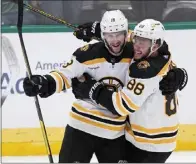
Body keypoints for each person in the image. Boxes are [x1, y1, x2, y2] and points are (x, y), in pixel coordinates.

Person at [23, 10, 187, 163]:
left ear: (126, 34)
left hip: (114, 134)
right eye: (109, 35)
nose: (115, 41)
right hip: (81, 127)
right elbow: (65, 75)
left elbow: (156, 53)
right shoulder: (88, 53)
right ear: (102, 35)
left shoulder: (136, 55)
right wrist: (45, 82)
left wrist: (180, 74)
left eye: (119, 34)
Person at [71, 19, 188, 163]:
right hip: (152, 138)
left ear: (156, 45)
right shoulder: (160, 54)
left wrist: (90, 89)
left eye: (142, 43)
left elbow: (121, 105)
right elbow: (131, 36)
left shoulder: (147, 72)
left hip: (149, 144)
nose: (136, 46)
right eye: (136, 40)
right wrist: (100, 29)